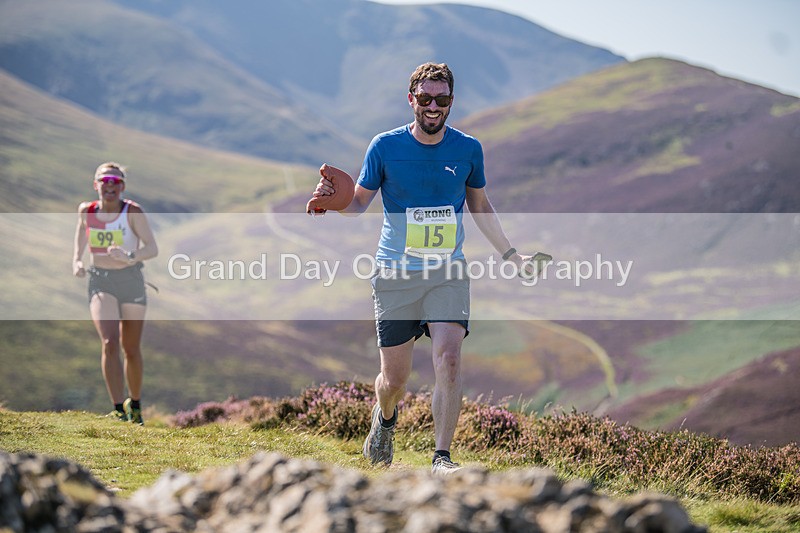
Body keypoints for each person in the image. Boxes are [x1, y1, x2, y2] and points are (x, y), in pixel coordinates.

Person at [313, 62, 542, 475]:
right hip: (395, 274)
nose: (433, 106)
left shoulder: (468, 149)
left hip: (447, 272)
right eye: (425, 99)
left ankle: (442, 458)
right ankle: (384, 419)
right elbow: (360, 203)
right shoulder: (384, 146)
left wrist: (511, 254)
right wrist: (333, 201)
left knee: (449, 359)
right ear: (411, 100)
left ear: (451, 101)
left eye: (442, 99)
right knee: (394, 381)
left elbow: (481, 206)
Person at [72, 162, 158, 425]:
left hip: (131, 281)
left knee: (130, 348)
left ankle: (136, 404)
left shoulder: (132, 211)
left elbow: (152, 248)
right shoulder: (87, 211)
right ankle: (118, 409)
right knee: (109, 343)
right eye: (105, 180)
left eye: (116, 182)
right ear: (95, 184)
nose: (110, 186)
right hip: (101, 281)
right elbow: (80, 238)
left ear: (122, 187)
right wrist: (77, 260)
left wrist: (129, 256)